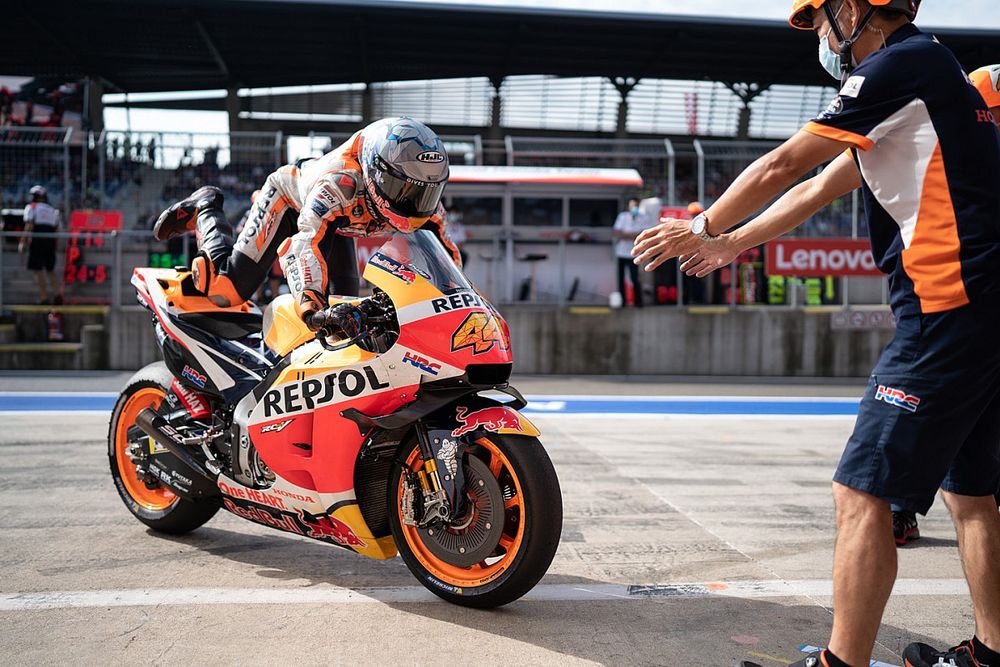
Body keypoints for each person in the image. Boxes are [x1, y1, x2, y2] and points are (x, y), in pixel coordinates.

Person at [633, 2, 1000, 666]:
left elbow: (782, 167)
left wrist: (704, 225)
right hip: (983, 317)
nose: (825, 41)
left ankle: (841, 663)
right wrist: (731, 244)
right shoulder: (929, 71)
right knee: (971, 495)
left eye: (824, 21)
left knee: (862, 492)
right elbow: (818, 189)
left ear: (856, 10)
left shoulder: (896, 68)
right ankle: (992, 652)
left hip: (946, 312)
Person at [153, 117, 460, 334]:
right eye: (406, 190)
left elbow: (449, 266)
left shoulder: (424, 206)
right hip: (289, 201)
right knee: (226, 290)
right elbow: (304, 245)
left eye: (426, 192)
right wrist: (311, 309)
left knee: (347, 315)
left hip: (339, 222)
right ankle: (206, 205)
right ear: (378, 172)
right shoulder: (340, 184)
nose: (416, 203)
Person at [18, 185, 64, 305]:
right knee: (50, 270)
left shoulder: (31, 207)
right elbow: (57, 229)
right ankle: (58, 295)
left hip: (37, 241)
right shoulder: (52, 210)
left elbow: (29, 225)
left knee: (38, 270)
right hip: (50, 241)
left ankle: (44, 299)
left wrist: (23, 242)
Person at [612, 198, 651, 307]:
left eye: (636, 206)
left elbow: (644, 234)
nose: (634, 208)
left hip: (634, 254)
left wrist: (626, 234)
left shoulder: (644, 218)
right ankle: (622, 302)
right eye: (632, 206)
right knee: (620, 278)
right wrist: (632, 235)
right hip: (621, 252)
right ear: (628, 207)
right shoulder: (623, 217)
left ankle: (638, 302)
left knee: (635, 278)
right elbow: (616, 232)